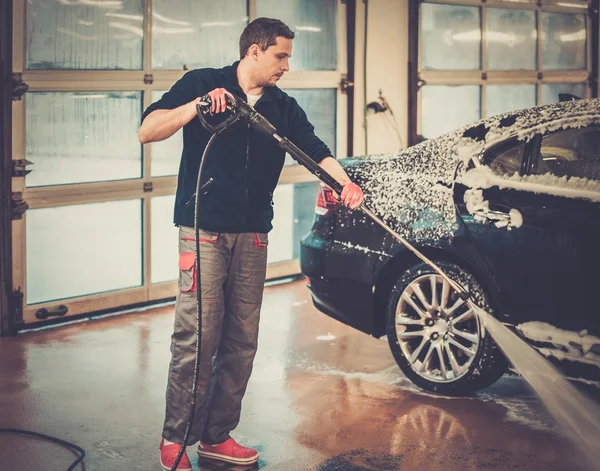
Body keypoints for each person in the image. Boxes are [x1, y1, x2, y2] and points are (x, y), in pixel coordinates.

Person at [138, 17, 364, 471]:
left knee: (242, 340)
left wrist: (345, 183)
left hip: (254, 233)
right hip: (204, 231)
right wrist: (197, 107)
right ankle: (175, 441)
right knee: (197, 338)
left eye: (288, 57)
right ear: (254, 51)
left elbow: (314, 148)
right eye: (280, 55)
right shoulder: (204, 82)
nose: (286, 65)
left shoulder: (281, 107)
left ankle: (217, 437)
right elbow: (149, 129)